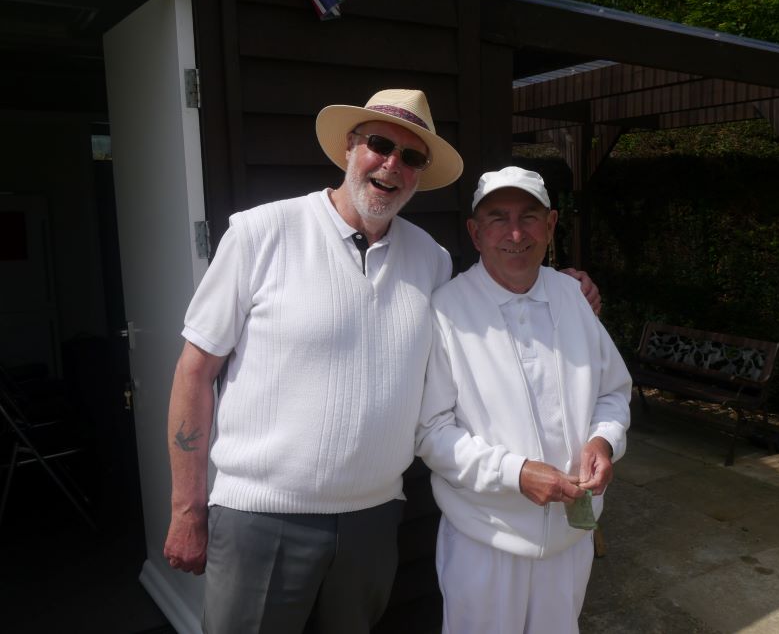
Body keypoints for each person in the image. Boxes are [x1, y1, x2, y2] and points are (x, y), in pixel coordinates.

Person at [162, 90, 601, 633]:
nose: (392, 164)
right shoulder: (261, 233)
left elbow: (493, 298)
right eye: (380, 144)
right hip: (262, 517)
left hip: (371, 522)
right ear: (350, 147)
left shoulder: (431, 260)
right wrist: (187, 509)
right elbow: (195, 371)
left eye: (411, 156)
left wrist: (564, 286)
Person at [416, 166, 632, 634]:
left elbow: (613, 392)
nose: (516, 234)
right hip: (486, 541)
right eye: (498, 218)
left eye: (529, 217)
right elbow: (431, 433)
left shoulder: (573, 297)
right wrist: (515, 473)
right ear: (475, 233)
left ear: (551, 226)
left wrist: (604, 441)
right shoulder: (445, 310)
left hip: (571, 540)